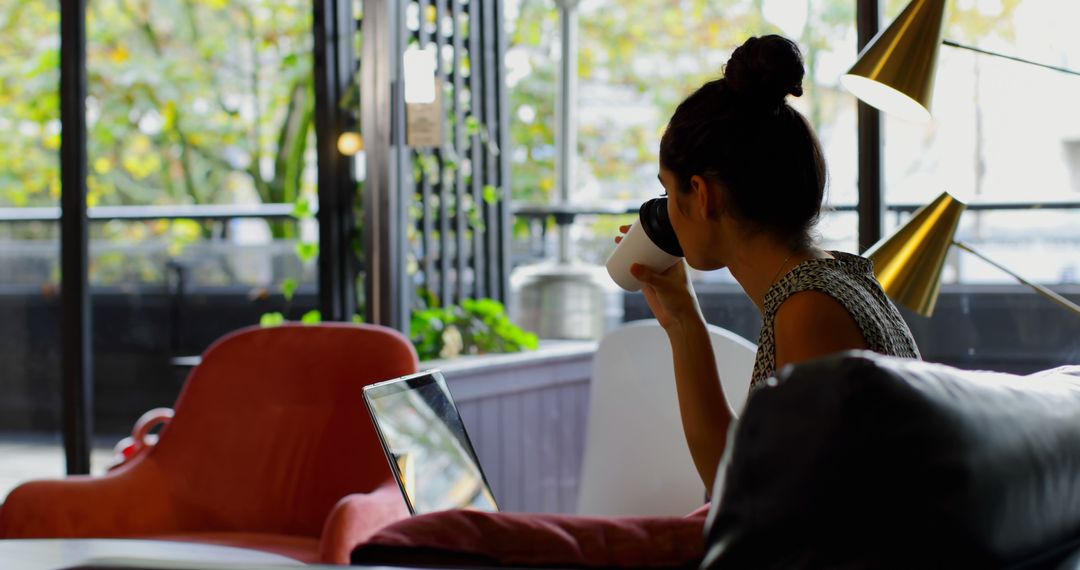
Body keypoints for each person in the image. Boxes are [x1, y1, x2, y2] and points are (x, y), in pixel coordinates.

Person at [616, 34, 921, 490]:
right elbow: (745, 480)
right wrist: (683, 323)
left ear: (702, 195)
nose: (664, 209)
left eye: (667, 190)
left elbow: (763, 506)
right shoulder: (840, 280)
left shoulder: (808, 311)